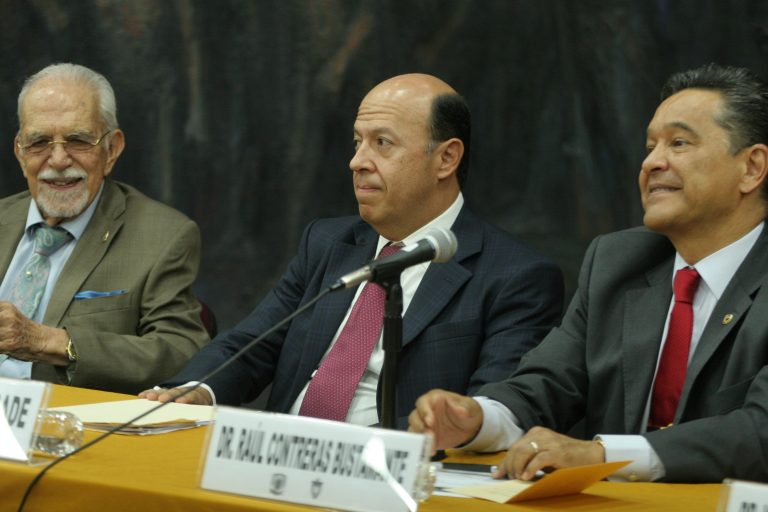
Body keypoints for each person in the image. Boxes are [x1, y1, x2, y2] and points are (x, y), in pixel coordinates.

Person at [409, 63, 768, 483]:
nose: (652, 162)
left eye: (679, 143)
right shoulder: (619, 261)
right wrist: (477, 419)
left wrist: (601, 454)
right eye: (649, 146)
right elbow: (548, 383)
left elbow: (758, 431)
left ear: (752, 167)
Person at [142, 73, 564, 429]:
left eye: (382, 143)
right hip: (275, 460)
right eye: (357, 142)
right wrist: (196, 389)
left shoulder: (515, 276)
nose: (357, 161)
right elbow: (254, 343)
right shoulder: (328, 244)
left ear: (446, 158)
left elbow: (492, 410)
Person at [0, 63, 209, 393]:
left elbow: (182, 351)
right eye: (39, 142)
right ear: (20, 152)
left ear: (112, 149)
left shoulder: (163, 236)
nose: (57, 160)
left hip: (62, 429)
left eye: (78, 140)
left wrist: (50, 342)